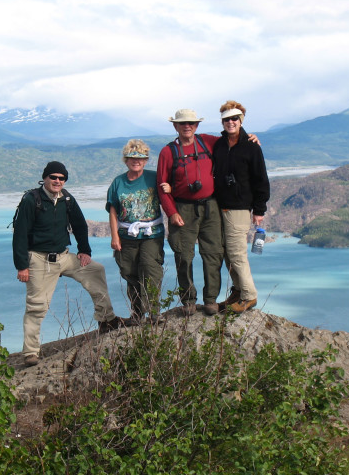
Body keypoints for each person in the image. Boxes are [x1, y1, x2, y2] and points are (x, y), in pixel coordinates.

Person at [12, 161, 132, 367]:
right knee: (36, 306)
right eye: (53, 177)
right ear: (45, 178)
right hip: (40, 260)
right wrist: (22, 266)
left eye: (61, 178)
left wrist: (85, 251)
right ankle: (31, 352)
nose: (57, 181)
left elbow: (79, 224)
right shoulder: (32, 200)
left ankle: (106, 320)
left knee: (95, 270)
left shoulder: (67, 198)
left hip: (64, 257)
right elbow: (20, 234)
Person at [156, 109, 226, 316]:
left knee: (213, 253)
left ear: (197, 126)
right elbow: (162, 186)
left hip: (210, 207)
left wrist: (249, 137)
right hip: (183, 208)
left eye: (192, 123)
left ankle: (211, 299)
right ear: (175, 126)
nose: (188, 126)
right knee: (183, 255)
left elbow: (233, 141)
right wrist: (171, 212)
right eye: (183, 123)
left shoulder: (207, 142)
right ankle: (188, 300)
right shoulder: (168, 152)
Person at [212, 101, 270, 314]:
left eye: (234, 118)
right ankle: (237, 291)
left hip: (239, 209)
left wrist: (259, 209)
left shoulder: (251, 147)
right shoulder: (219, 145)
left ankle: (248, 295)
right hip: (221, 207)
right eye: (226, 119)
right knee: (227, 253)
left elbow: (261, 179)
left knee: (236, 253)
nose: (230, 122)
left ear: (241, 120)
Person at [106, 140, 165, 322]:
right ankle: (137, 313)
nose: (136, 161)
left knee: (151, 269)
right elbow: (113, 209)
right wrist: (114, 235)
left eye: (140, 158)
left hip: (151, 235)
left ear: (146, 160)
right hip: (126, 235)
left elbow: (168, 195)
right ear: (126, 160)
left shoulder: (153, 178)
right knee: (130, 273)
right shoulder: (118, 182)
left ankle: (154, 312)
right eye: (132, 158)